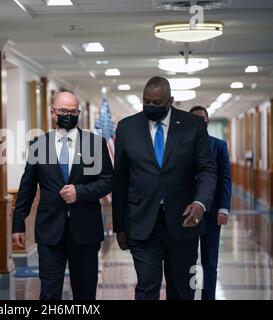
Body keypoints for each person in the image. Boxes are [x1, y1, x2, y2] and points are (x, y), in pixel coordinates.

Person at [112, 76, 217, 300]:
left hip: (183, 220)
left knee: (182, 290)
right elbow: (120, 179)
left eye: (156, 103)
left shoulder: (193, 125)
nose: (150, 106)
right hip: (142, 222)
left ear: (170, 101)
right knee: (147, 287)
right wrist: (119, 227)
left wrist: (200, 202)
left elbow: (207, 169)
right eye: (146, 102)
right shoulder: (127, 127)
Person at [12, 92, 113, 300]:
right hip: (50, 231)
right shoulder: (38, 145)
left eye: (73, 111)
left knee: (85, 294)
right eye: (63, 111)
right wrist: (18, 223)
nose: (68, 115)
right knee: (49, 293)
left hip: (85, 231)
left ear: (79, 113)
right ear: (52, 113)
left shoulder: (94, 143)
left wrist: (80, 192)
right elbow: (27, 187)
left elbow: (108, 181)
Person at [190, 105, 232, 300]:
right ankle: (188, 295)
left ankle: (208, 297)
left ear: (208, 121)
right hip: (187, 214)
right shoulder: (180, 146)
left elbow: (225, 179)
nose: (200, 122)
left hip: (212, 213)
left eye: (203, 118)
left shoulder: (219, 146)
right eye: (195, 119)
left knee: (209, 262)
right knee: (188, 261)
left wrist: (224, 208)